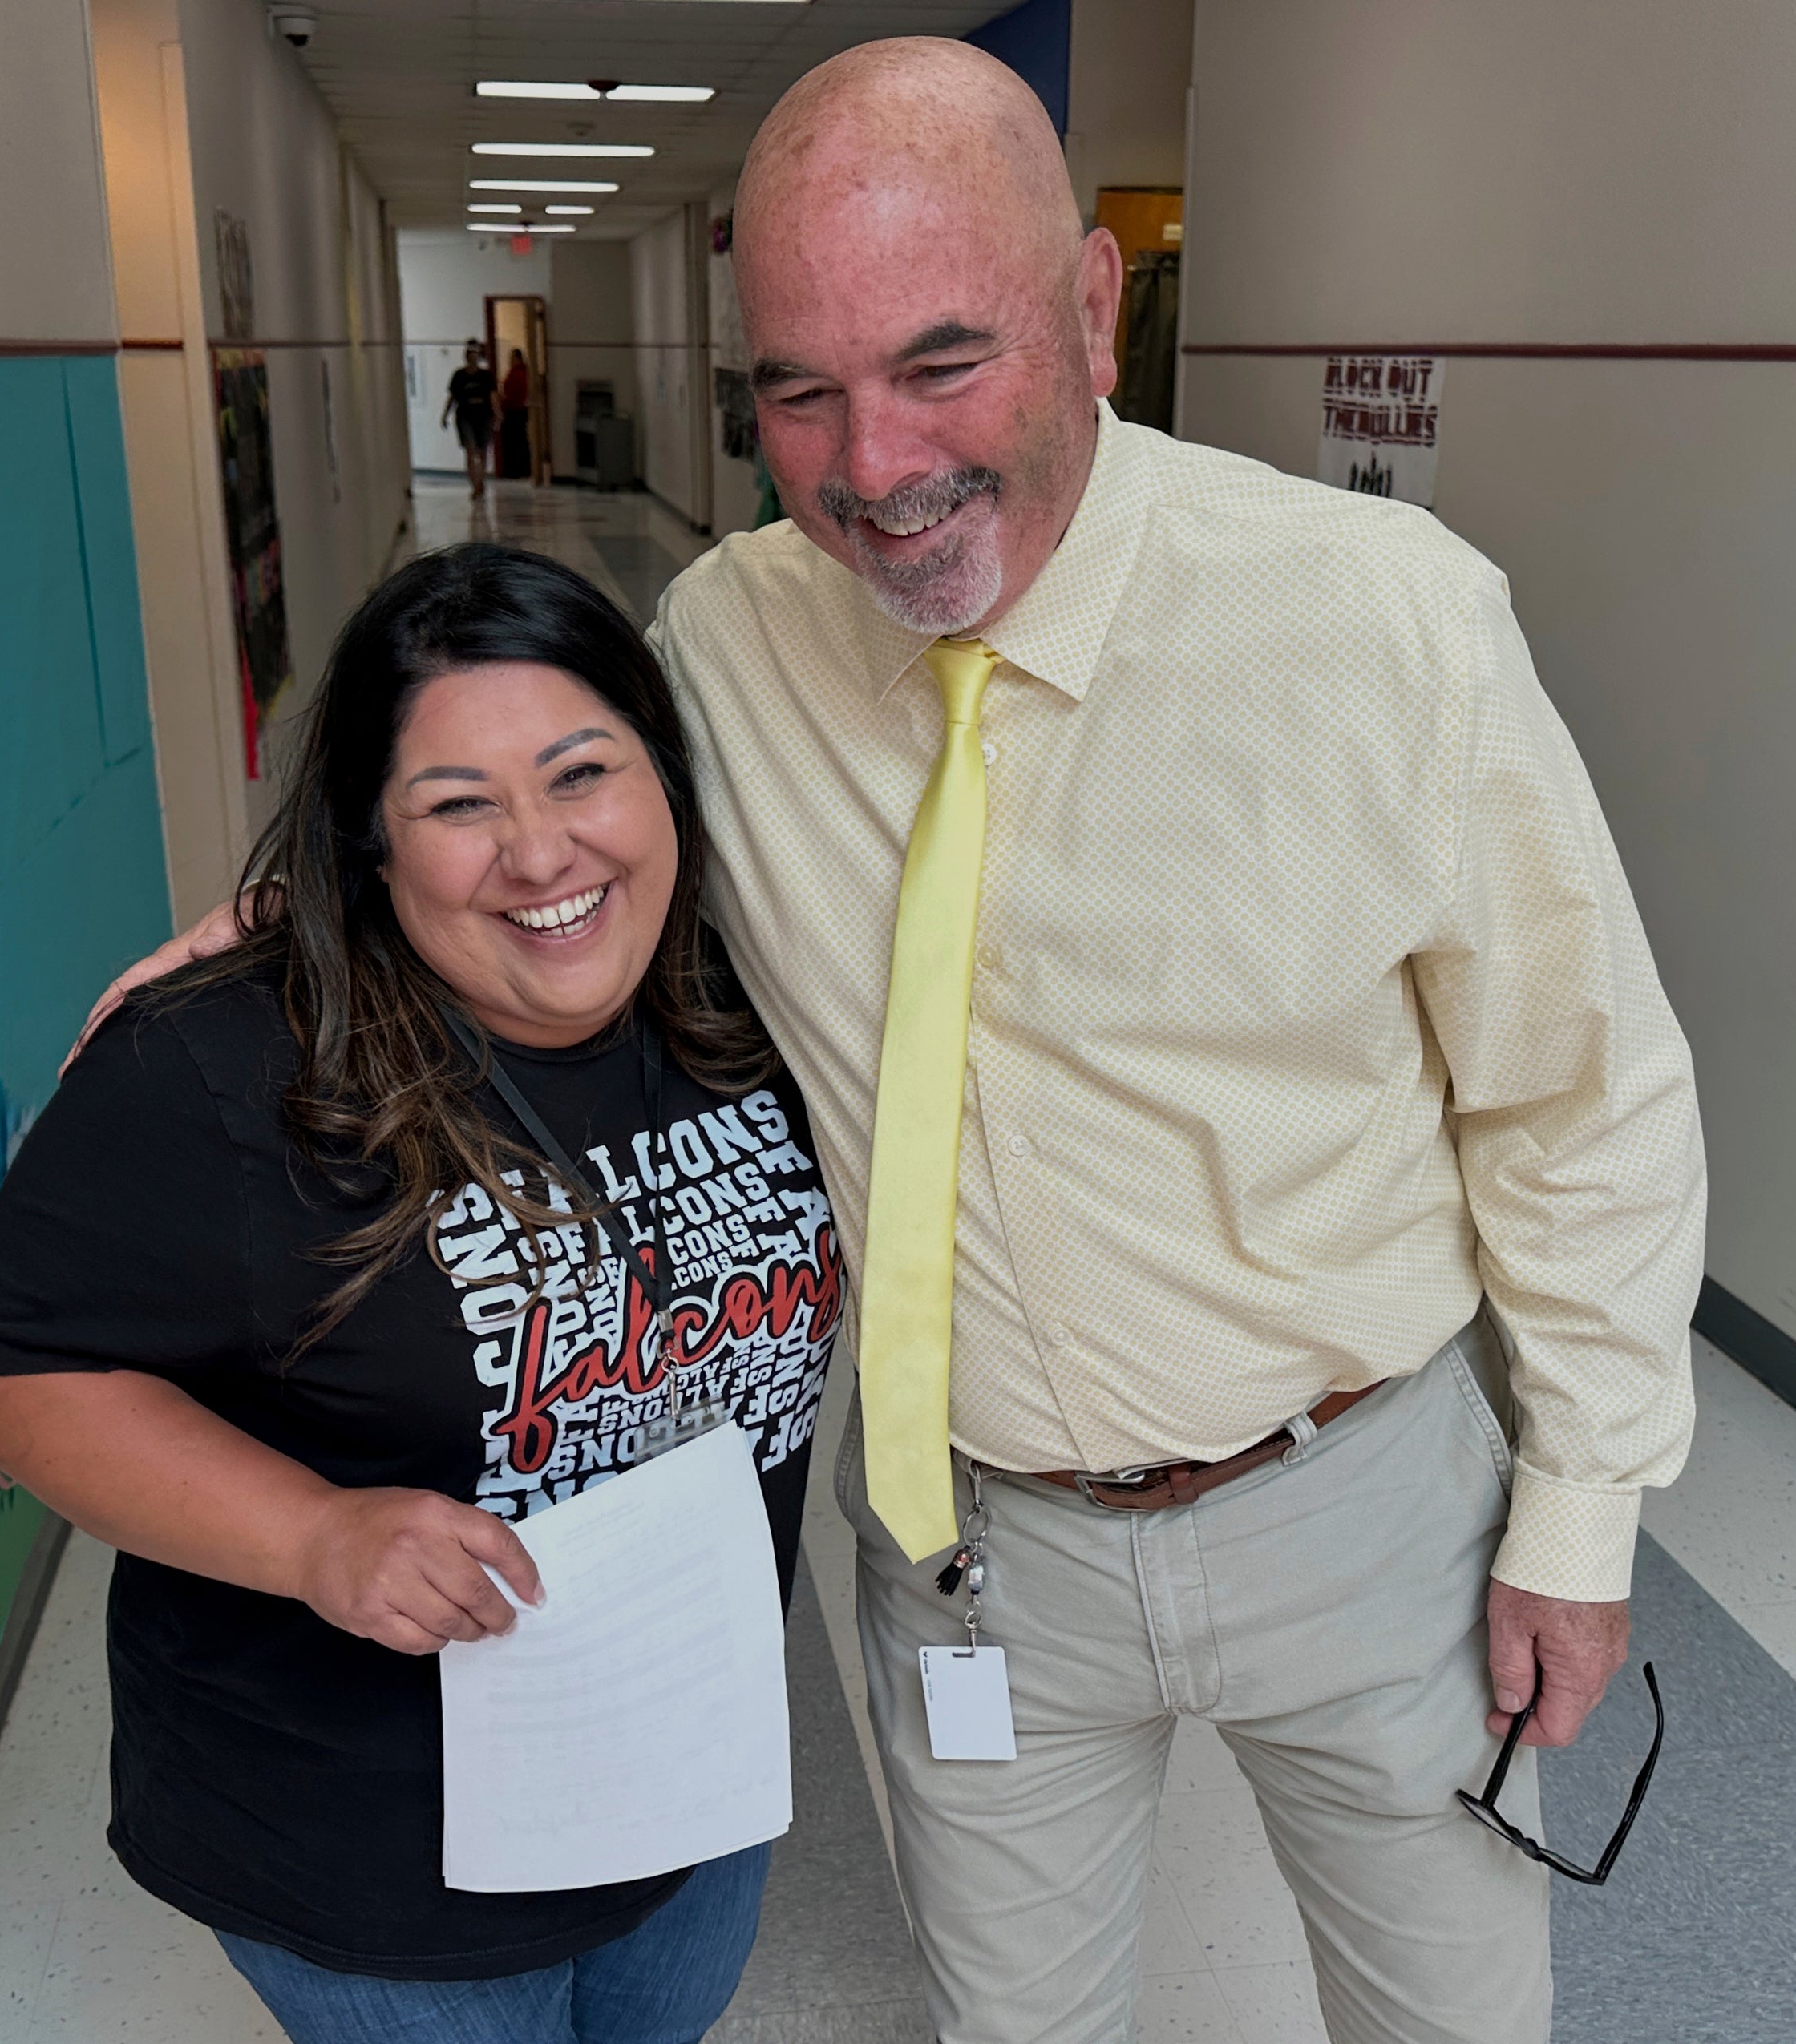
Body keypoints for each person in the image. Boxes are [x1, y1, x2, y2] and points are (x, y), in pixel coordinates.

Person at [95, 37, 1704, 2044]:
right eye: (799, 390)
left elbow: (1584, 1102)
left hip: (1363, 1501)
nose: (872, 468)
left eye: (943, 363)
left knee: (1455, 2018)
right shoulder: (729, 640)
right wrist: (288, 922)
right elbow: (548, 853)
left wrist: (1579, 1515)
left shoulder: (1389, 629)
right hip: (974, 1542)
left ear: (1093, 313)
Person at [0, 543, 843, 2044]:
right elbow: (8, 1374)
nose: (542, 854)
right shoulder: (221, 1070)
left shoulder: (749, 994)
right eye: (456, 807)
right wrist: (312, 1535)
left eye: (579, 774)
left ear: (666, 779)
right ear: (370, 844)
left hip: (691, 1787)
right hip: (379, 1865)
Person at [444, 339, 497, 499]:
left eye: (476, 353)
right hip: (465, 417)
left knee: (482, 453)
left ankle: (480, 482)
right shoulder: (459, 376)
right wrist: (445, 415)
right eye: (470, 353)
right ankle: (475, 485)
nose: (473, 357)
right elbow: (452, 397)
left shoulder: (486, 376)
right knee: (470, 451)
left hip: (483, 417)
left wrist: (498, 414)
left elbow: (492, 396)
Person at [498, 345, 535, 479]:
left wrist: (502, 400)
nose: (510, 360)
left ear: (517, 358)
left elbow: (513, 395)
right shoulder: (524, 373)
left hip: (514, 412)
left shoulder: (517, 374)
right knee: (521, 441)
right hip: (519, 412)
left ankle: (514, 471)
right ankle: (523, 469)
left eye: (512, 358)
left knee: (513, 443)